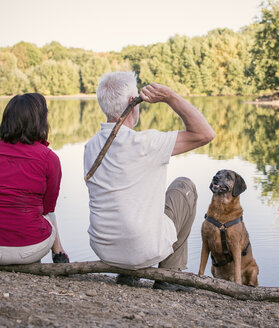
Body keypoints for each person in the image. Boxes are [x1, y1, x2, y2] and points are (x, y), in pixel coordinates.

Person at [83, 71, 215, 290]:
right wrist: (171, 97)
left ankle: (129, 275)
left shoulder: (90, 147)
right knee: (184, 187)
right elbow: (205, 134)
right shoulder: (146, 143)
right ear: (131, 103)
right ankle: (169, 274)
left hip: (104, 248)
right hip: (139, 250)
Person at [0, 93, 69, 265]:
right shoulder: (49, 158)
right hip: (31, 249)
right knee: (50, 215)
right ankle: (59, 255)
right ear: (40, 121)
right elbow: (48, 208)